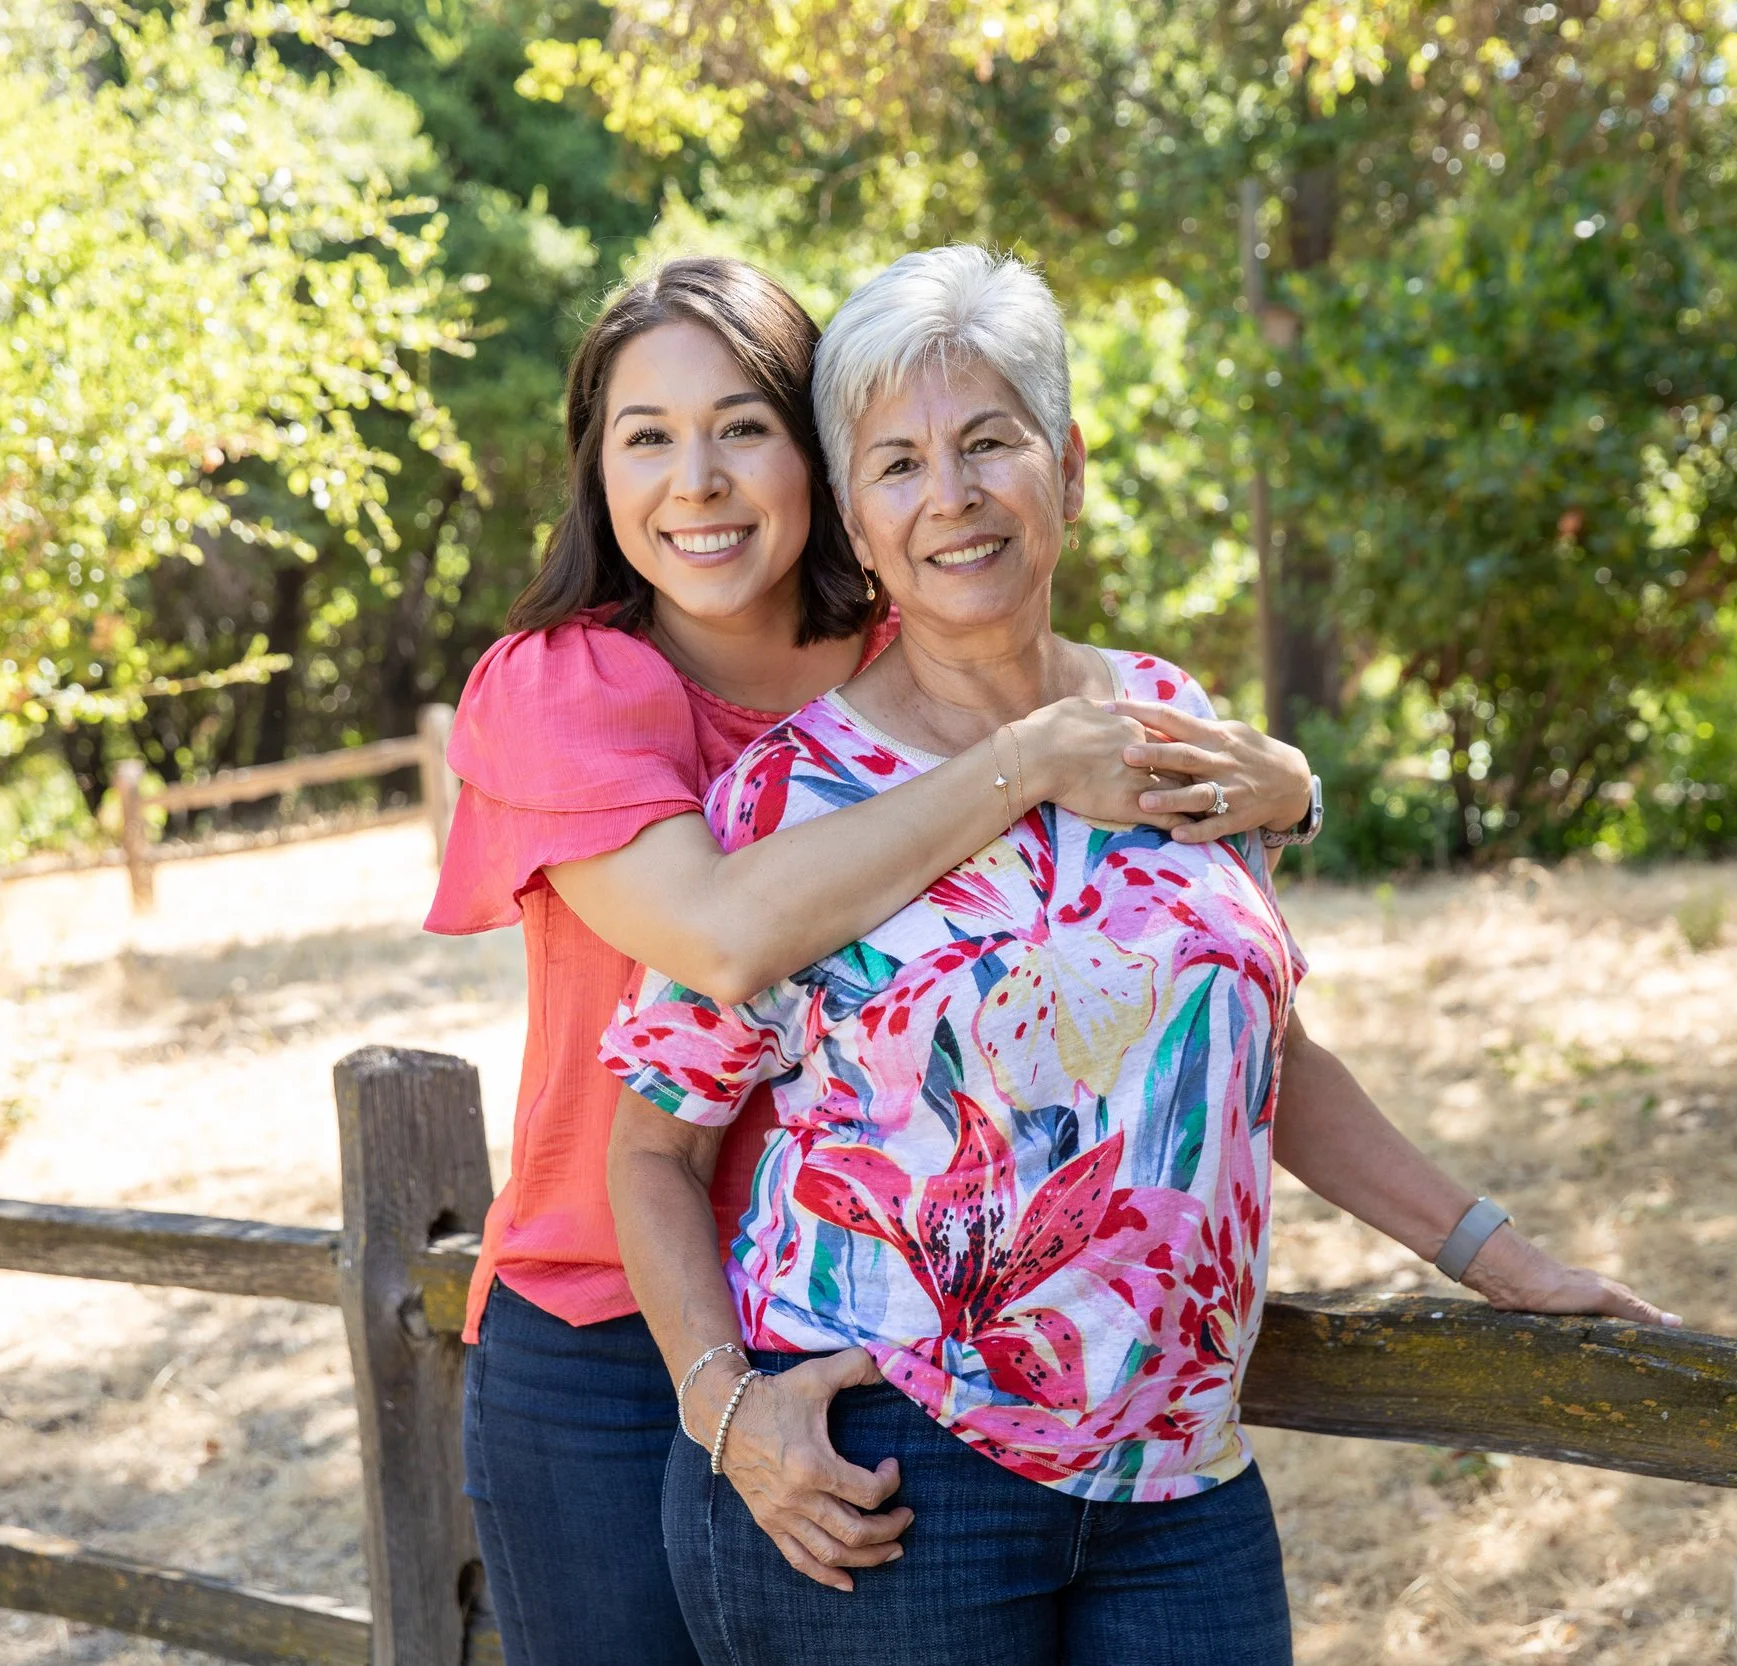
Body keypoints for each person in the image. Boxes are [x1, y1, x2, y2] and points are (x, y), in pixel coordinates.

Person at [603, 246, 1677, 1666]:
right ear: (856, 524)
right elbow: (652, 1151)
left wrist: (1503, 1257)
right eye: (901, 463)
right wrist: (723, 1406)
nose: (955, 496)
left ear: (1070, 465)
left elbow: (1255, 1061)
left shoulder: (1177, 725)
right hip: (888, 1479)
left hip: (1183, 1480)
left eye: (992, 442)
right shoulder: (797, 799)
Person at [423, 256, 1322, 1666]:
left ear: (816, 461)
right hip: (609, 1318)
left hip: (860, 1331)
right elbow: (726, 935)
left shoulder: (915, 643)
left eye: (742, 427)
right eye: (645, 438)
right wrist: (1028, 761)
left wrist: (1286, 782)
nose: (699, 479)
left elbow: (1118, 819)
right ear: (595, 475)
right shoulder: (567, 686)